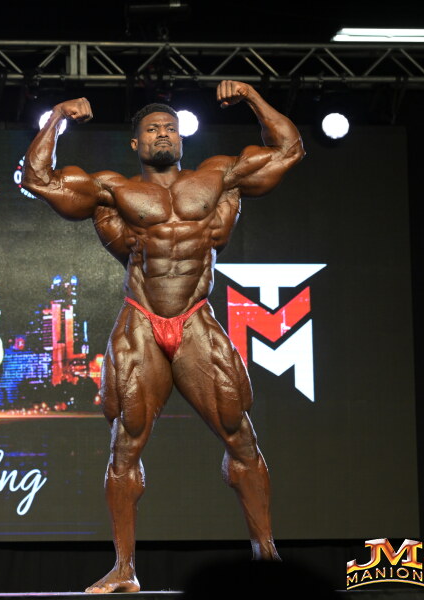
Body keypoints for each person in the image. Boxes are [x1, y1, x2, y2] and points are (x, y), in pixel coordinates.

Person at [21, 80, 304, 593]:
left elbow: (289, 149)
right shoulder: (114, 190)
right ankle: (124, 569)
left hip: (195, 317)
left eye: (170, 129)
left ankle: (267, 554)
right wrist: (57, 116)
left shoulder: (218, 177)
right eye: (152, 130)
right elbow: (38, 178)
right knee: (124, 445)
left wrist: (251, 98)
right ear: (137, 143)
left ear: (181, 138)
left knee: (240, 435)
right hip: (141, 320)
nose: (162, 135)